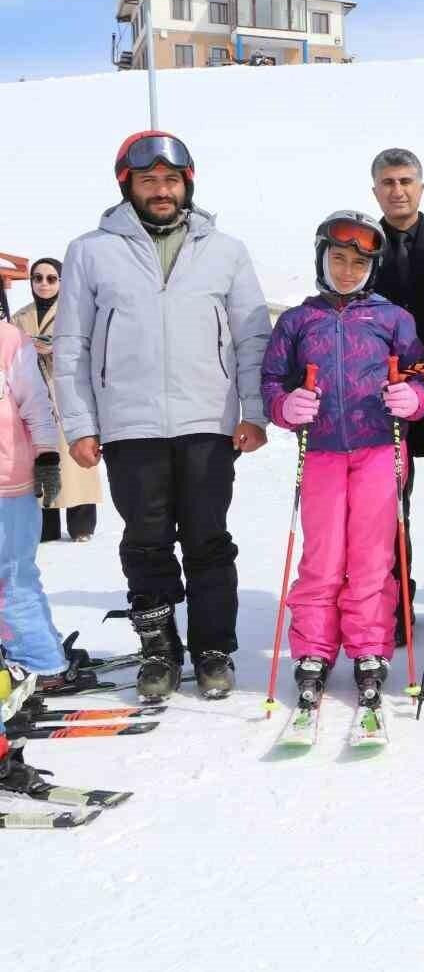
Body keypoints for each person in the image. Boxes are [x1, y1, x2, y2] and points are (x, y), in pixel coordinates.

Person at [54, 130, 271, 702]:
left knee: (208, 539)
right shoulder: (89, 251)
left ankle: (213, 649)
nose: (160, 189)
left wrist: (256, 411)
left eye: (170, 180)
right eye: (148, 180)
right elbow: (72, 343)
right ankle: (158, 649)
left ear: (187, 184)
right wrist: (81, 425)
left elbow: (252, 336)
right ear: (127, 184)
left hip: (209, 419)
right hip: (130, 423)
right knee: (146, 541)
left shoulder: (225, 249)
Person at [260, 211, 424, 706]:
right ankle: (313, 647)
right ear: (322, 258)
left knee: (373, 556)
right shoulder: (298, 320)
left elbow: (419, 375)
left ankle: (370, 647)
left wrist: (413, 400)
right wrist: (285, 406)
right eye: (339, 258)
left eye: (359, 262)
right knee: (323, 555)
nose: (349, 269)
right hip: (322, 454)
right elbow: (272, 381)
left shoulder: (392, 318)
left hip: (380, 448)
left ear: (373, 267)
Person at [367, 148, 424, 645]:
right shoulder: (362, 247)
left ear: (421, 187)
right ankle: (396, 599)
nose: (397, 190)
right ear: (375, 190)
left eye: (406, 181)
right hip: (385, 405)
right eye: (387, 182)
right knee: (389, 507)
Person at [0, 317, 70, 690]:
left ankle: (40, 662)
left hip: (8, 484)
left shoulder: (8, 339)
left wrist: (46, 456)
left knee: (10, 577)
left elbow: (36, 405)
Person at [12, 259, 101, 543]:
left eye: (51, 278)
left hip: (69, 394)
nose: (44, 284)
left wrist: (55, 348)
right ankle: (46, 526)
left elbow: (91, 348)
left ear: (62, 281)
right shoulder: (20, 317)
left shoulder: (75, 313)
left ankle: (81, 526)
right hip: (35, 398)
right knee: (42, 458)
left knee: (76, 461)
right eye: (38, 278)